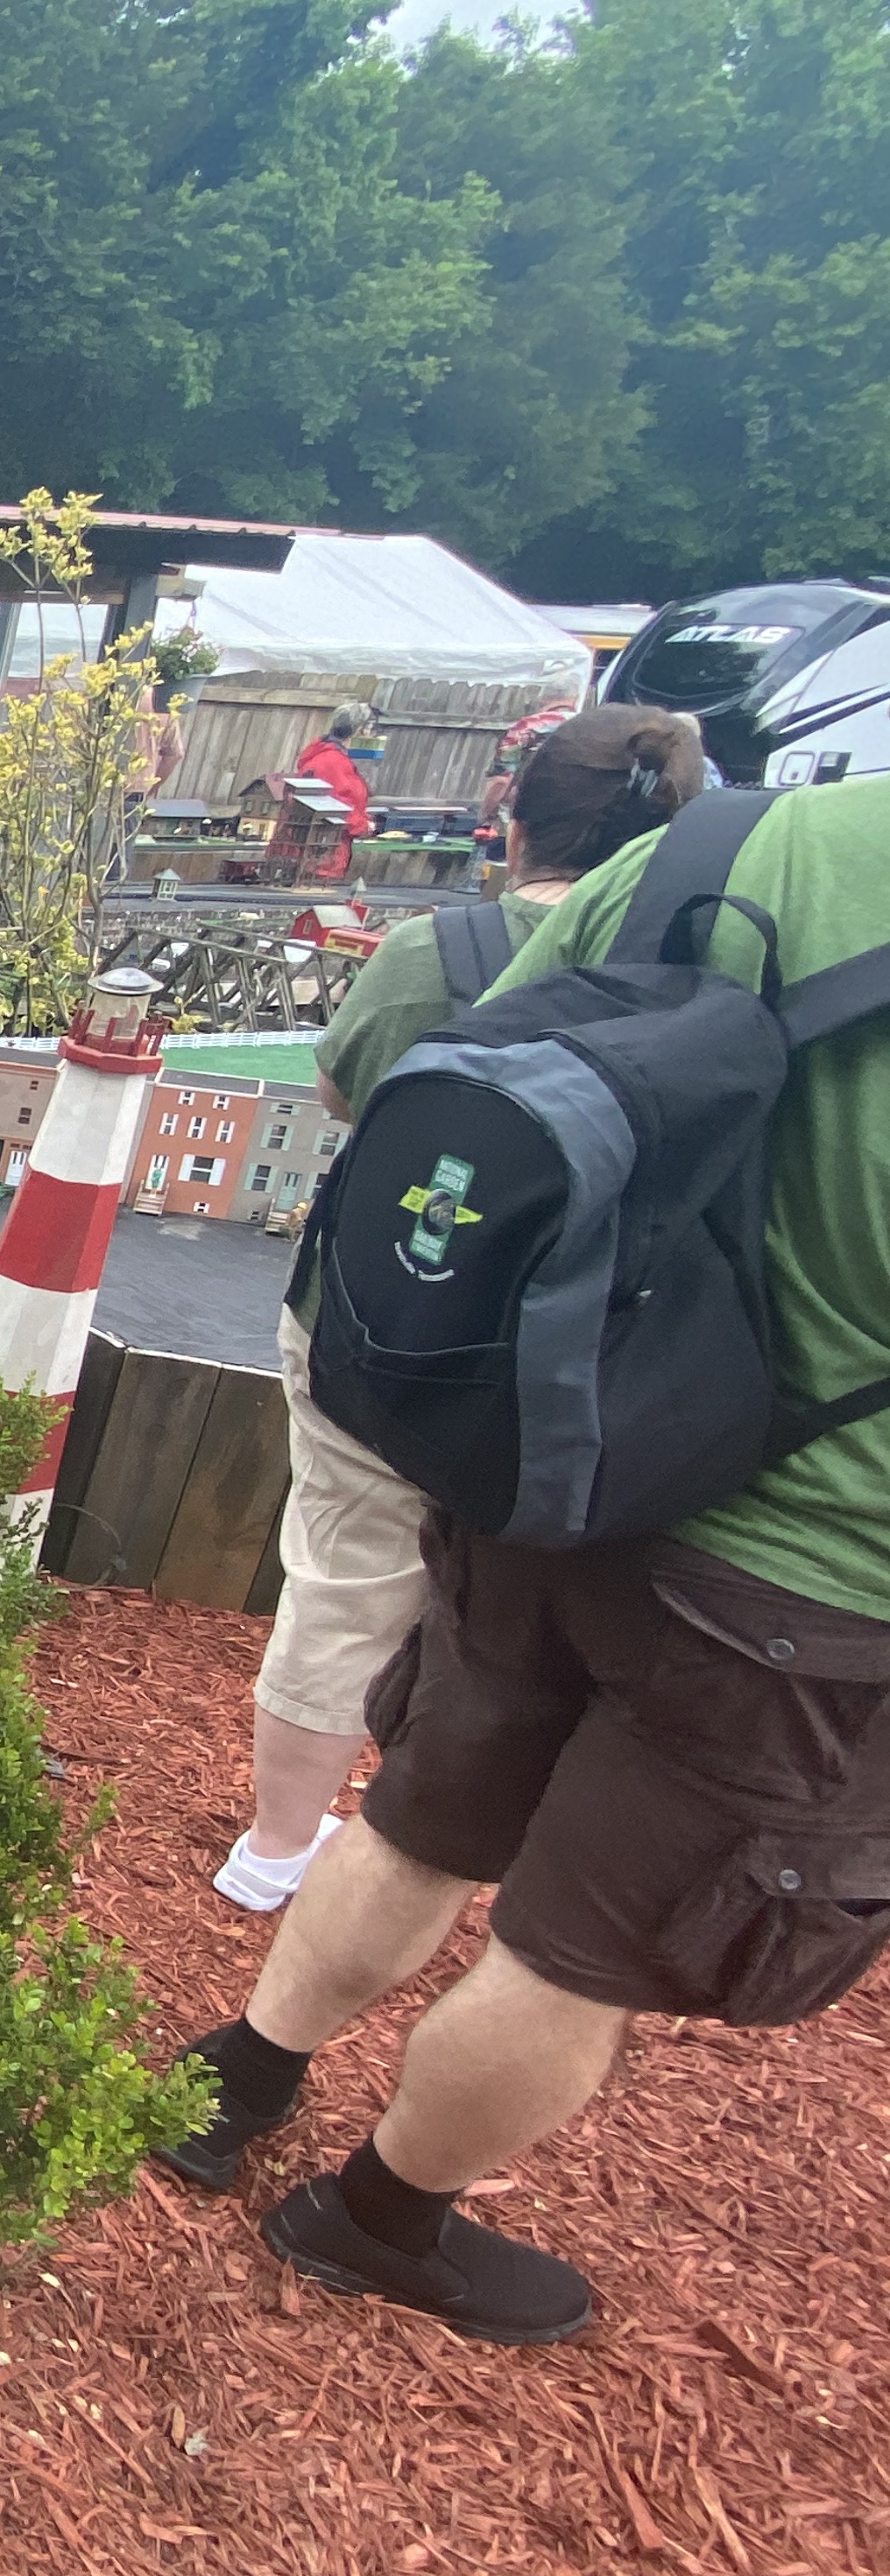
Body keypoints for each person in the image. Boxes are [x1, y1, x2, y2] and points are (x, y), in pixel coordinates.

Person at [164, 761, 890, 2345]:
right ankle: (373, 2217)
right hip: (807, 1568)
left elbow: (501, 1072)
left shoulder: (741, 843)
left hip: (554, 1460)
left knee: (420, 1814)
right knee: (580, 1950)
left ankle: (241, 2077)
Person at [214, 706, 707, 1912]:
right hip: (584, 1360)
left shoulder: (439, 953)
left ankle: (276, 1850)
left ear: (512, 821)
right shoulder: (706, 980)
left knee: (344, 1578)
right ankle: (452, 1854)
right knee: (523, 1613)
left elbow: (343, 1091)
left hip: (385, 1322)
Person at [293, 700, 379, 878]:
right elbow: (333, 806)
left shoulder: (330, 758)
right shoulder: (333, 762)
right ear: (359, 730)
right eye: (370, 729)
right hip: (321, 855)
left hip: (321, 851)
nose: (373, 736)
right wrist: (364, 826)